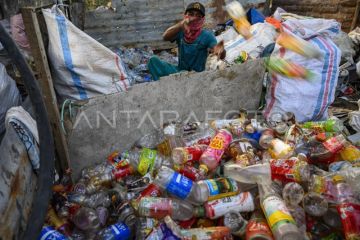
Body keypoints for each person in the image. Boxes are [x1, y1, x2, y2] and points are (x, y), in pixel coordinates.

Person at [148, 2, 226, 81]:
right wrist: (181, 24)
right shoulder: (181, 31)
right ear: (185, 16)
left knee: (181, 75)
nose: (194, 18)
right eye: (191, 14)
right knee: (153, 61)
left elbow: (218, 51)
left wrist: (220, 51)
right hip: (179, 73)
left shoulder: (207, 36)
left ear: (203, 19)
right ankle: (165, 87)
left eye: (198, 16)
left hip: (197, 77)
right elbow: (165, 37)